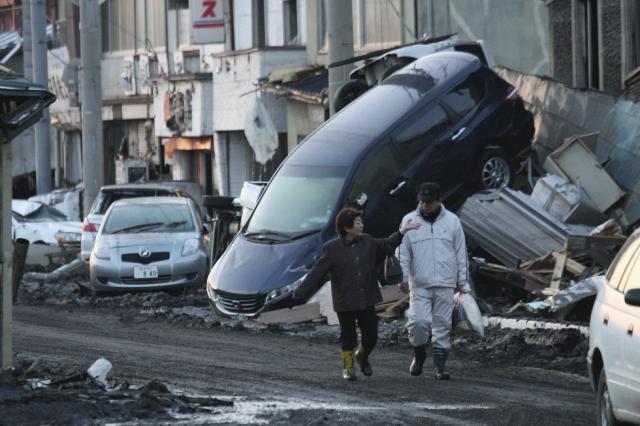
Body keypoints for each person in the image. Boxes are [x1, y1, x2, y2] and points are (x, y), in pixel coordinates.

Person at [292, 208, 420, 380]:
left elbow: (386, 244)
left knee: (371, 336)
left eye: (361, 222)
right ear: (347, 227)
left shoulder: (367, 241)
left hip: (367, 298)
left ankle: (362, 356)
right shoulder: (331, 248)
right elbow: (317, 273)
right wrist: (301, 293)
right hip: (345, 300)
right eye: (358, 223)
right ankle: (348, 367)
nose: (362, 225)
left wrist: (402, 231)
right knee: (348, 336)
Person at [398, 182, 471, 380]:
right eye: (421, 201)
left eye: (429, 202)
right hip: (419, 283)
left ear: (440, 200)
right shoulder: (409, 220)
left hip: (445, 282)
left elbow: (460, 253)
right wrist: (403, 277)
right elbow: (403, 252)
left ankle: (440, 365)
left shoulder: (452, 221)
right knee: (419, 322)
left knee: (442, 325)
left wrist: (463, 283)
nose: (424, 205)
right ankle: (419, 354)